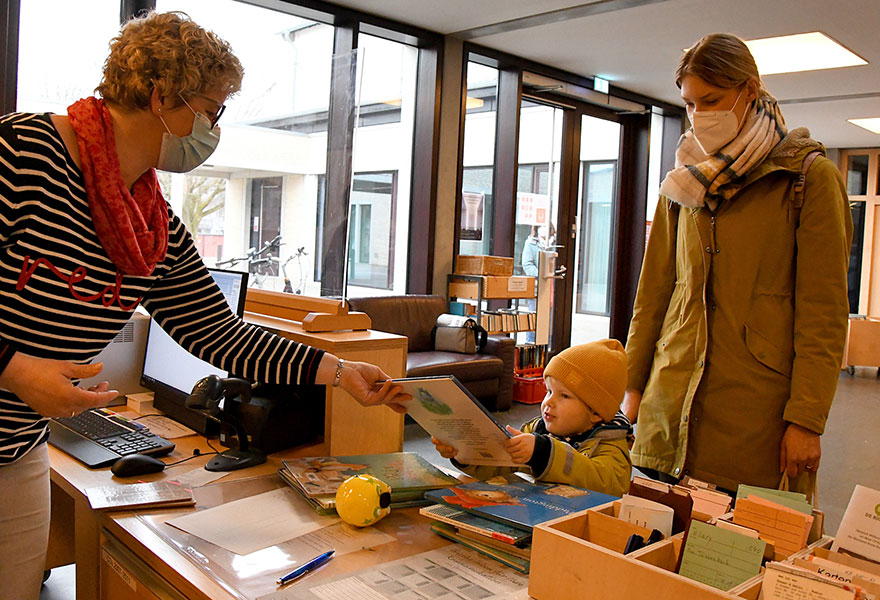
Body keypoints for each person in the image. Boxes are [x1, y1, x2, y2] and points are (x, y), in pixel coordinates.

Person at [0, 12, 408, 600]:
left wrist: (340, 373)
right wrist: (14, 371)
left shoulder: (152, 224)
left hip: (16, 448)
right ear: (161, 95)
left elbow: (219, 333)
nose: (215, 128)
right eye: (212, 109)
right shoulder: (24, 153)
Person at [623, 33, 852, 496]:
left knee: (746, 554)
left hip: (758, 415)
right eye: (689, 103)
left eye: (712, 100)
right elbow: (654, 294)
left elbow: (823, 313)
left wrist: (807, 419)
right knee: (651, 552)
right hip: (669, 406)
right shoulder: (683, 183)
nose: (699, 116)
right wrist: (631, 385)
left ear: (750, 90)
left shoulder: (807, 178)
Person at [432, 339, 633, 497]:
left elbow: (604, 484)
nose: (549, 402)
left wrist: (543, 453)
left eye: (564, 396)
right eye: (548, 391)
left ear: (596, 412)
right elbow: (502, 470)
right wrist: (466, 452)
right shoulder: (537, 430)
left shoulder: (610, 445)